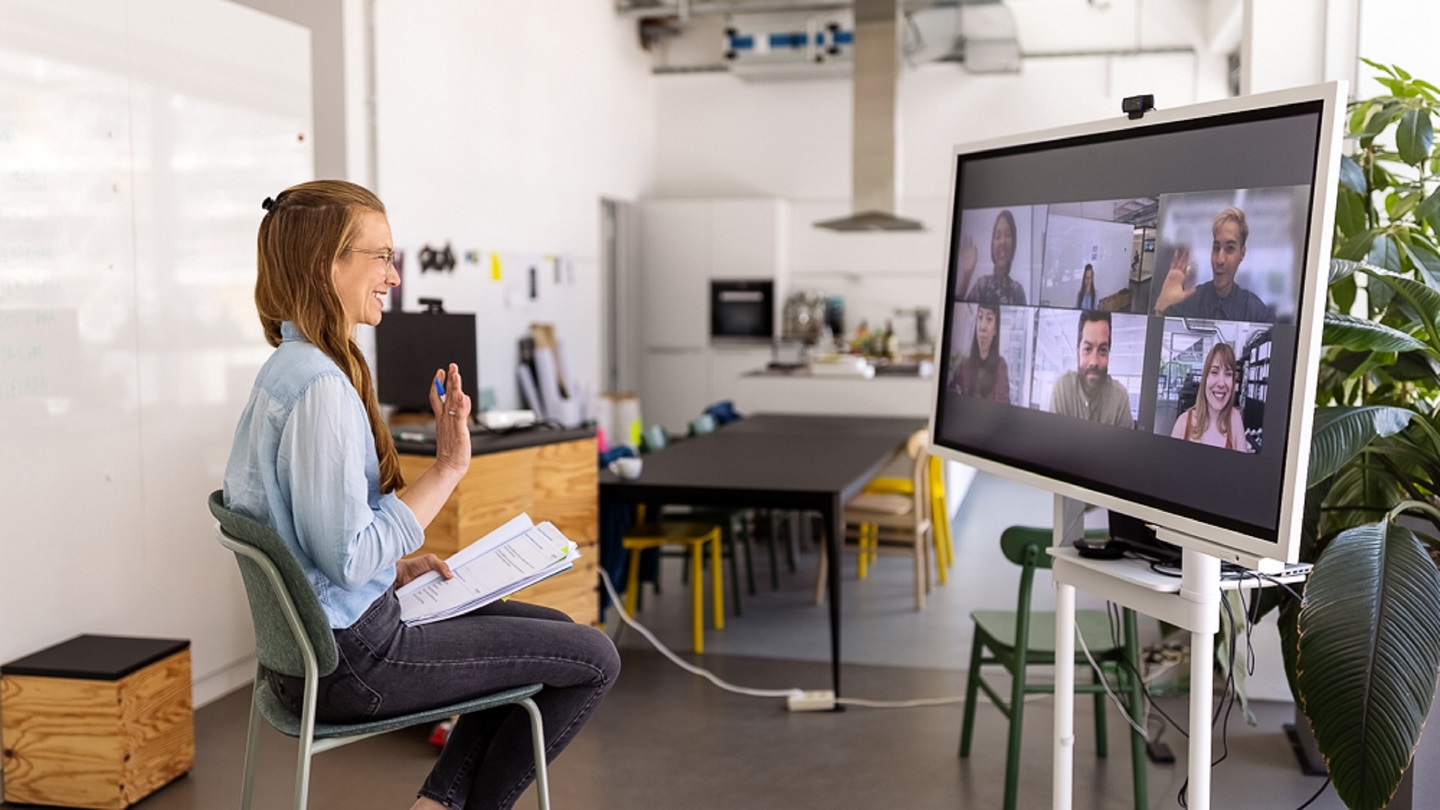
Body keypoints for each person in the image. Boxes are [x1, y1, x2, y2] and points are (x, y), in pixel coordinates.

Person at [222, 180, 618, 810]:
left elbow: (316, 545)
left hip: (314, 651)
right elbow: (349, 559)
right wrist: (449, 467)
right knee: (593, 657)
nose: (394, 275)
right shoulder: (321, 388)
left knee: (550, 633)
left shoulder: (286, 370)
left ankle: (440, 806)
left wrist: (395, 568)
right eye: (381, 257)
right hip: (354, 661)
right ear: (327, 265)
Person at [1154, 206, 1275, 322]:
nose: (1220, 260)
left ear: (1242, 253)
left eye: (1230, 248)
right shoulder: (1192, 301)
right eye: (1216, 248)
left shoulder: (1255, 312)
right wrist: (1161, 309)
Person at [1049, 310, 1134, 428]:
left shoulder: (1120, 398)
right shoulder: (1062, 388)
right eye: (1088, 349)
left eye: (1102, 350)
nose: (1094, 362)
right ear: (1078, 352)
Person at [1170, 342, 1251, 452]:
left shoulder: (1235, 418)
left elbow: (1243, 468)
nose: (1221, 383)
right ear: (1205, 379)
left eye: (1228, 374)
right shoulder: (1183, 423)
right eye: (1214, 372)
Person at [956, 209, 1027, 305]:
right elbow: (958, 312)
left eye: (1008, 235)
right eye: (997, 236)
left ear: (1014, 244)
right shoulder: (982, 284)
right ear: (992, 247)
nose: (1002, 241)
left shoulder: (1018, 291)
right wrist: (967, 275)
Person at [949, 303, 1010, 403]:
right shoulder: (963, 367)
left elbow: (1003, 410)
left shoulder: (1000, 367)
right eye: (980, 317)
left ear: (996, 329)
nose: (982, 327)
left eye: (989, 319)